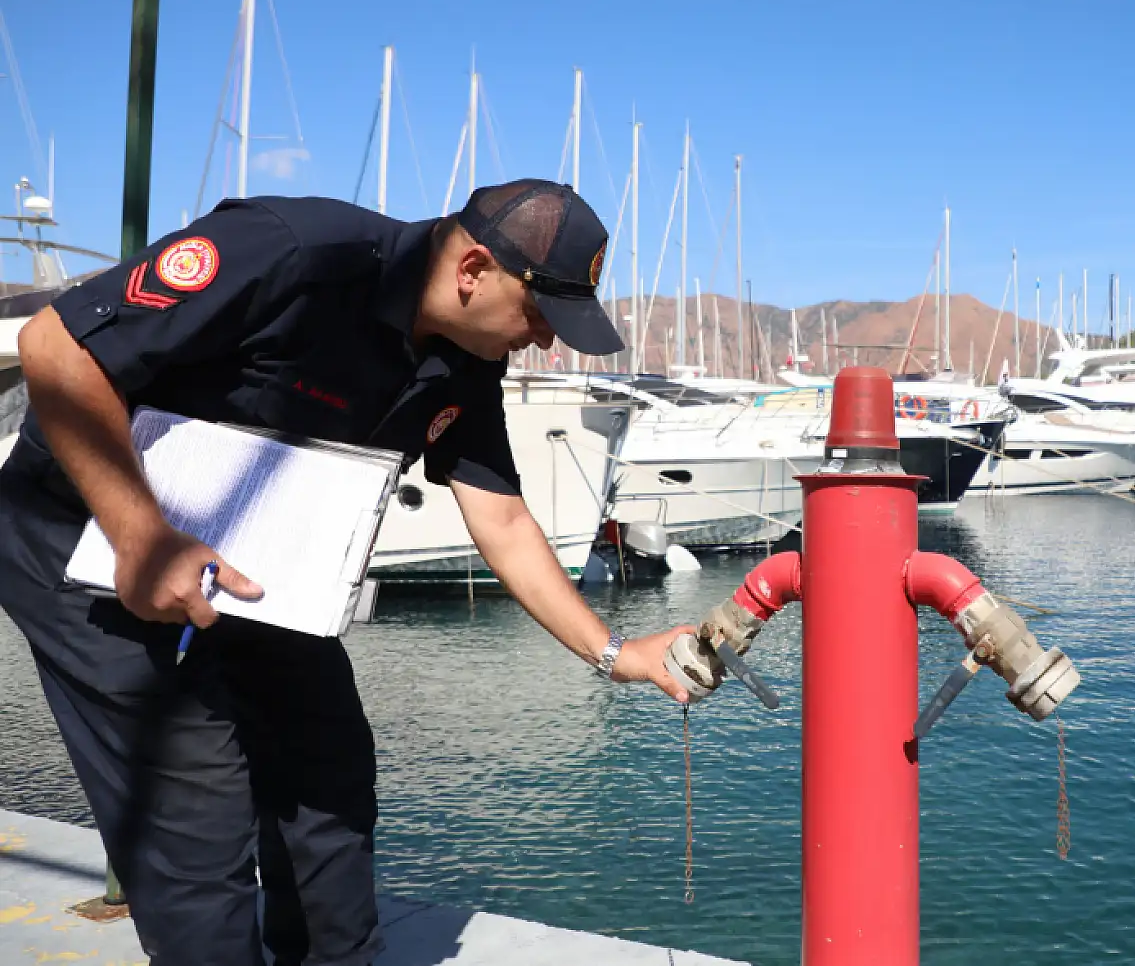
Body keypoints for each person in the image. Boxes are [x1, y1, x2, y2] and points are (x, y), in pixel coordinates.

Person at [0, 179, 692, 966]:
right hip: (93, 540)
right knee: (198, 813)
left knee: (328, 774)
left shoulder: (465, 361)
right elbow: (55, 349)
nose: (543, 342)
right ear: (472, 269)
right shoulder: (295, 253)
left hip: (255, 566)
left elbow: (498, 512)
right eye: (539, 315)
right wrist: (141, 538)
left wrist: (615, 652)